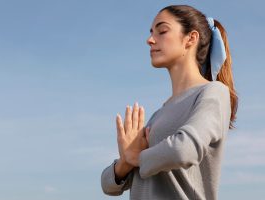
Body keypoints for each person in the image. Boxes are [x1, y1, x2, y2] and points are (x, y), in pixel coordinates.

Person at [101, 4, 238, 200]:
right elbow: (108, 185)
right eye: (151, 33)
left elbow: (184, 150)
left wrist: (137, 158)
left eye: (162, 31)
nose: (150, 40)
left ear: (191, 38)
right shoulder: (159, 115)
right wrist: (125, 162)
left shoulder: (213, 92)